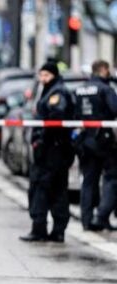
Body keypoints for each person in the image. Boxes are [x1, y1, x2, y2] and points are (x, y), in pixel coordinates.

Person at [19, 62, 75, 242]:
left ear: (54, 75)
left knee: (42, 188)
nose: (43, 79)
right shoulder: (50, 91)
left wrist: (41, 141)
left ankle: (41, 229)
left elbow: (55, 119)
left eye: (47, 76)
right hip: (55, 150)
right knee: (55, 189)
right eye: (41, 75)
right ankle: (55, 231)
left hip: (52, 152)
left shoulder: (56, 93)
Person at [74, 60, 117, 231]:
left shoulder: (79, 89)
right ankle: (102, 216)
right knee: (112, 178)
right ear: (104, 70)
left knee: (88, 181)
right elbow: (115, 109)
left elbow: (74, 113)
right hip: (104, 140)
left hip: (85, 140)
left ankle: (86, 219)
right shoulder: (105, 89)